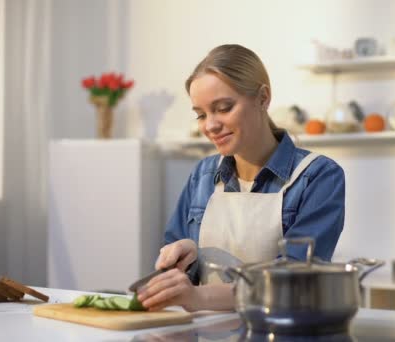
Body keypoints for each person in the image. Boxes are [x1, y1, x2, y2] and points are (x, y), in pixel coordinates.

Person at [136, 44, 345, 312]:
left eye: (223, 108)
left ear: (263, 98)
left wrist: (199, 298)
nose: (210, 125)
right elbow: (178, 279)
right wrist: (189, 256)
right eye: (201, 114)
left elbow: (292, 281)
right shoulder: (203, 175)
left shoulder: (317, 176)